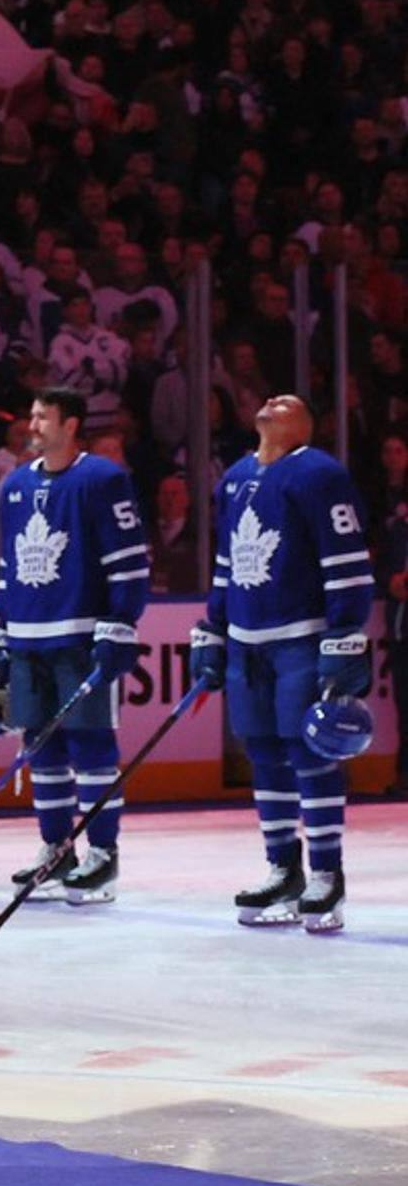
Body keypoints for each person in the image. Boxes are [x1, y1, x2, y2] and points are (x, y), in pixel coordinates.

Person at [197, 394, 372, 934]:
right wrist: (213, 627)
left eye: (288, 401)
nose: (273, 401)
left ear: (305, 425)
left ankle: (325, 873)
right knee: (264, 752)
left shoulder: (319, 473)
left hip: (301, 635)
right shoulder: (234, 478)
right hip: (248, 641)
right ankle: (283, 868)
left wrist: (344, 636)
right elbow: (227, 561)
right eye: (271, 398)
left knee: (308, 752)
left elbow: (346, 559)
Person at [0, 386, 149, 904]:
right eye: (31, 415)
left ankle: (103, 854)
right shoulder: (13, 486)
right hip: (29, 638)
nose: (31, 425)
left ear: (71, 424)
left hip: (80, 637)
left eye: (42, 417)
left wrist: (120, 623)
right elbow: (10, 567)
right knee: (43, 749)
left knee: (92, 747)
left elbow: (128, 560)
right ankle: (56, 849)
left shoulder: (102, 479)